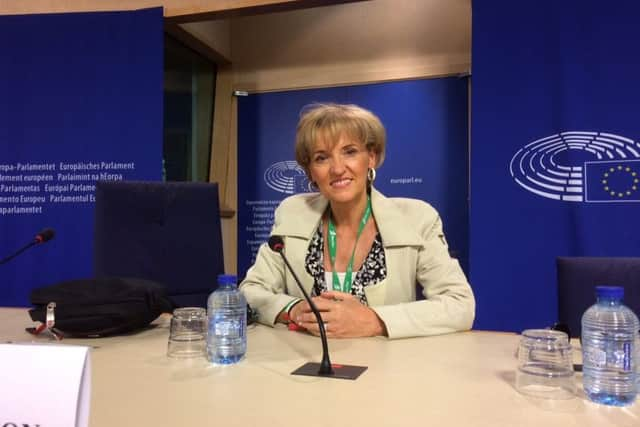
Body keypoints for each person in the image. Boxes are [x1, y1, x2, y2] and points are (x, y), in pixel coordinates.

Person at [239, 103, 475, 339]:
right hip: (304, 364)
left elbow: (460, 305)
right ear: (310, 171)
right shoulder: (292, 213)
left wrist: (373, 320)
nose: (338, 169)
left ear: (371, 157)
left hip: (389, 368)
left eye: (350, 152)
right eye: (322, 158)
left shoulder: (416, 218)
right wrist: (292, 309)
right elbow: (250, 291)